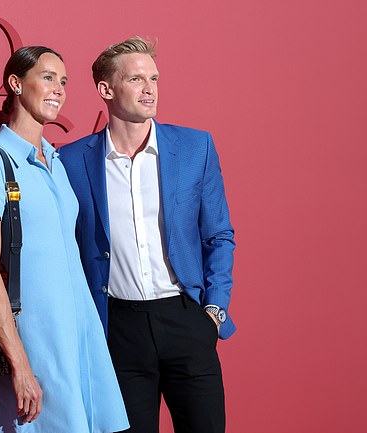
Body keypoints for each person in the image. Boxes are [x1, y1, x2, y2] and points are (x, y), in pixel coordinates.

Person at [59, 37, 236, 433]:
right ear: (106, 89)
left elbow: (219, 236)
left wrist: (214, 311)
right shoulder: (71, 160)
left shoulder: (195, 147)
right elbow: (65, 251)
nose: (150, 88)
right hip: (118, 329)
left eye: (153, 78)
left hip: (186, 319)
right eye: (136, 79)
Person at [0, 46, 129, 433]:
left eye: (64, 81)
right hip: (35, 339)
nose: (59, 89)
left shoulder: (55, 161)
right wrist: (20, 365)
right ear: (16, 84)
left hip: (81, 335)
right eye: (48, 77)